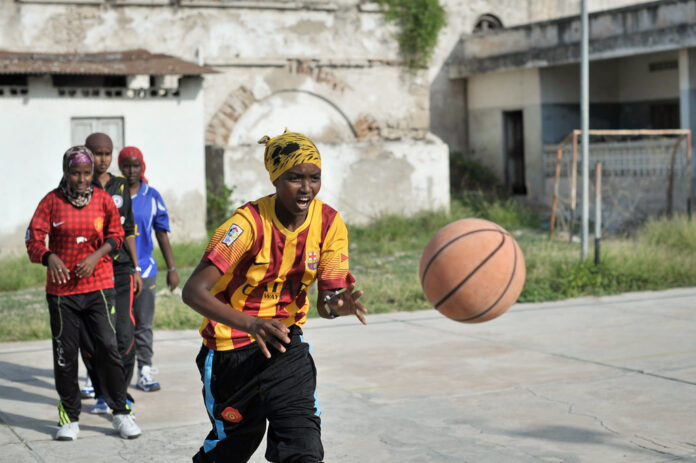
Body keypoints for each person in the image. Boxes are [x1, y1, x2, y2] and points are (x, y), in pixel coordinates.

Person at [182, 129, 367, 463]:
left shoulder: (329, 223)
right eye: (295, 178)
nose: (307, 188)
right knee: (235, 444)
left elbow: (327, 301)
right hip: (230, 351)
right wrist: (252, 324)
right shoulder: (246, 225)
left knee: (303, 443)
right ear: (276, 178)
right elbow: (194, 292)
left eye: (315, 178)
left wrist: (338, 305)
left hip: (285, 345)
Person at [26, 146, 142, 441]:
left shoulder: (104, 200)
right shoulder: (51, 202)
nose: (81, 179)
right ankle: (69, 417)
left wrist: (96, 256)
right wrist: (48, 257)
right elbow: (34, 238)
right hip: (62, 293)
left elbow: (117, 235)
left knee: (108, 348)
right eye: (75, 173)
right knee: (65, 354)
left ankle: (120, 412)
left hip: (99, 288)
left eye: (86, 173)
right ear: (66, 172)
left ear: (93, 173)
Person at [78, 133, 143, 414]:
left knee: (124, 335)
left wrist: (137, 268)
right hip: (90, 271)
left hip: (120, 270)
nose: (102, 159)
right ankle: (102, 393)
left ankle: (121, 391)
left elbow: (128, 231)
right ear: (87, 154)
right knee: (93, 337)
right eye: (97, 153)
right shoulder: (78, 183)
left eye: (107, 153)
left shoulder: (120, 185)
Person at [118, 146, 179, 392]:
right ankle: (109, 374)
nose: (131, 171)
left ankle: (144, 370)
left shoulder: (152, 196)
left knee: (143, 323)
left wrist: (172, 268)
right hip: (118, 271)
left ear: (142, 167)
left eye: (136, 166)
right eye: (126, 166)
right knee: (116, 324)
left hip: (145, 269)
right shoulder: (114, 194)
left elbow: (161, 234)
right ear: (120, 168)